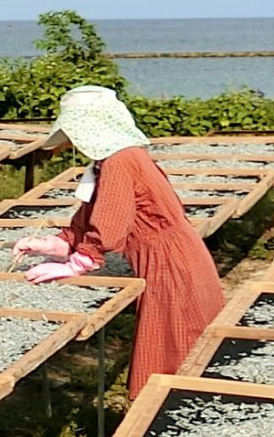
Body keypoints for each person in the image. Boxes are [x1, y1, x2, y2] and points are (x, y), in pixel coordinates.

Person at [12, 86, 226, 391]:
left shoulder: (120, 162)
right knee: (174, 339)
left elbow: (111, 222)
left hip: (171, 262)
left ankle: (159, 423)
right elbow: (90, 217)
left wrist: (79, 263)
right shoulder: (115, 160)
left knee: (175, 344)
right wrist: (53, 244)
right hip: (173, 255)